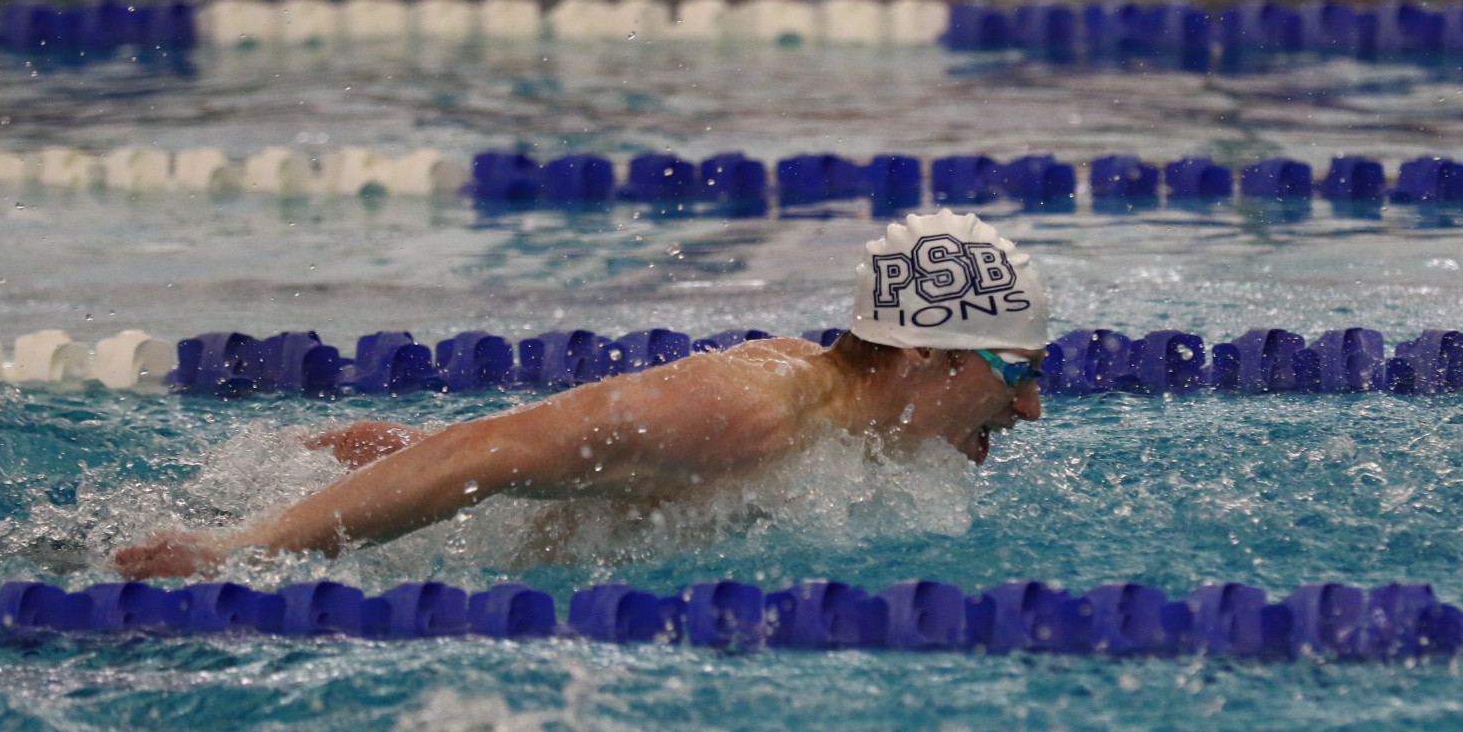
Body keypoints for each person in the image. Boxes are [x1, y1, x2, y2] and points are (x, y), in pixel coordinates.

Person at [114, 210, 1048, 579]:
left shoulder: (839, 432)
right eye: (1020, 373)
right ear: (932, 355)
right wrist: (243, 547)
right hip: (383, 526)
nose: (1033, 408)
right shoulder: (754, 410)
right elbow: (489, 454)